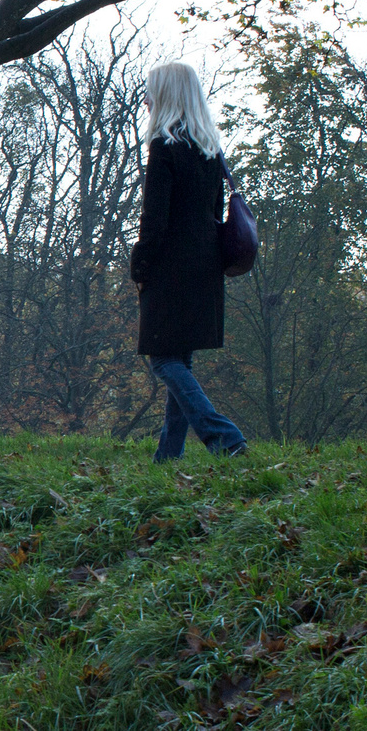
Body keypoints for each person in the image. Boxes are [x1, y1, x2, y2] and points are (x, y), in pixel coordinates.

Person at [129, 62, 249, 461]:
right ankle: (167, 458)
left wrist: (140, 266)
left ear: (166, 95)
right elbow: (214, 213)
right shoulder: (209, 149)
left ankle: (224, 436)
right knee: (179, 359)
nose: (146, 100)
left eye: (151, 92)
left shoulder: (163, 147)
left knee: (163, 359)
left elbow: (154, 220)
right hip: (205, 264)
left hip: (171, 267)